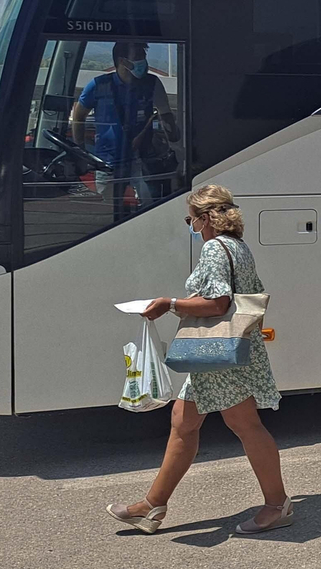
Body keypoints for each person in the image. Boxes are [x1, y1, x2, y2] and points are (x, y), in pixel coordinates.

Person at [108, 184, 291, 535]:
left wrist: (170, 304)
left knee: (245, 426)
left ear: (205, 218)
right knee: (183, 421)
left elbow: (219, 303)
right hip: (224, 353)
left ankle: (276, 504)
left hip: (220, 357)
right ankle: (152, 505)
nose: (192, 226)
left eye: (192, 219)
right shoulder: (239, 247)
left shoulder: (214, 249)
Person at [69, 41, 179, 213]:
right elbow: (78, 115)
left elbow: (165, 112)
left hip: (141, 160)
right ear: (122, 61)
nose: (143, 62)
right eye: (138, 57)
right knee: (110, 210)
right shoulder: (99, 86)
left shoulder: (152, 84)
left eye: (144, 57)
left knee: (148, 207)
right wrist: (81, 150)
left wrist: (173, 137)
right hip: (107, 162)